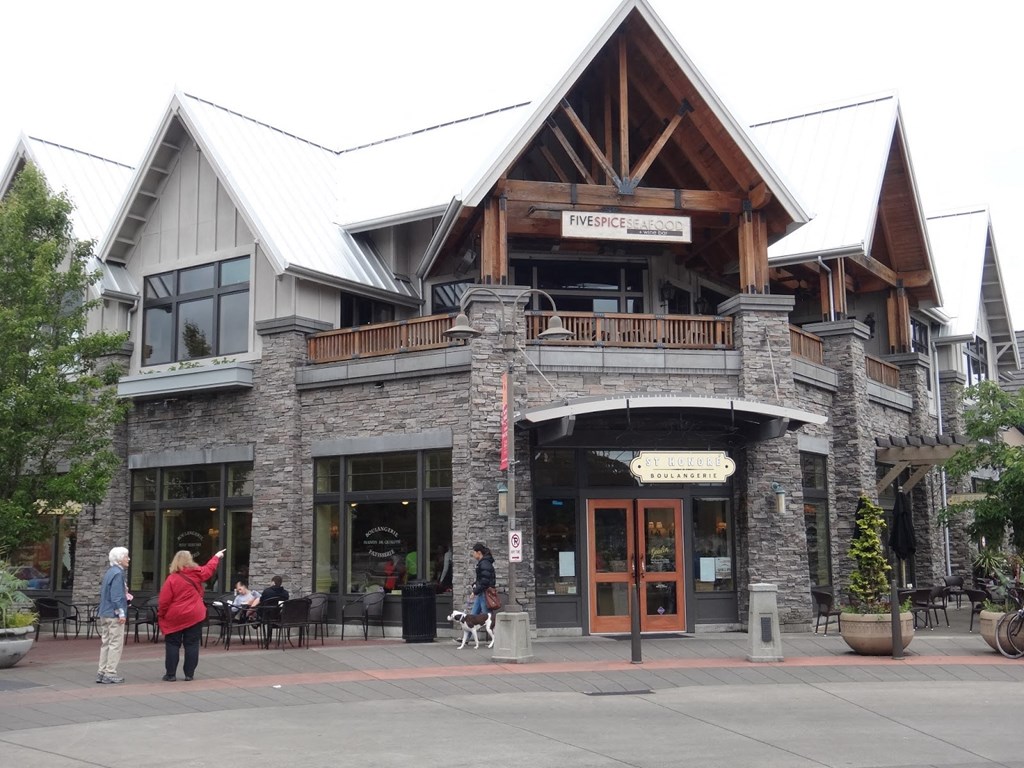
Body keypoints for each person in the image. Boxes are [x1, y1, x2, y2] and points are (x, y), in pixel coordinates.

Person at [157, 548, 225, 682]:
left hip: (175, 615)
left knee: (172, 644)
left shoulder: (172, 579)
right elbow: (209, 569)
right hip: (194, 614)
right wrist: (216, 556)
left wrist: (161, 614)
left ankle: (170, 674)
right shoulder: (197, 574)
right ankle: (189, 674)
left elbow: (164, 601)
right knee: (192, 644)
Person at [96, 546, 130, 684]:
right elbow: (116, 597)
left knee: (106, 643)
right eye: (126, 556)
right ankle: (110, 672)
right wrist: (121, 613)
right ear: (119, 559)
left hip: (104, 611)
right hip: (113, 613)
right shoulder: (118, 574)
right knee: (115, 643)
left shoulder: (110, 572)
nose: (128, 559)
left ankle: (102, 671)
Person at [469, 542, 496, 616]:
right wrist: (475, 584)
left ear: (479, 552)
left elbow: (485, 581)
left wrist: (475, 592)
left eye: (474, 552)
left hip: (485, 593)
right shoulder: (483, 563)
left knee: (487, 618)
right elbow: (482, 578)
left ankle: (491, 628)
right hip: (481, 592)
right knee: (473, 617)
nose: (473, 554)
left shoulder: (484, 563)